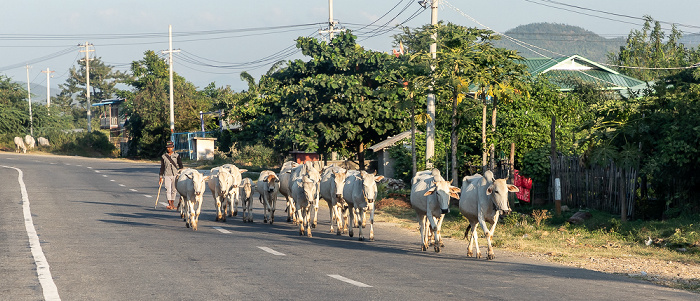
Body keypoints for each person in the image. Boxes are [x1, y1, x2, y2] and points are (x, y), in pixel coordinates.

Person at [159, 141, 183, 210]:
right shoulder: (164, 156)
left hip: (175, 175)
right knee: (168, 189)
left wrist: (180, 173)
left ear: (173, 147)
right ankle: (169, 204)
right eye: (168, 148)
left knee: (174, 190)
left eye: (170, 147)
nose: (169, 149)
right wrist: (161, 177)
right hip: (167, 174)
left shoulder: (177, 156)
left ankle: (172, 203)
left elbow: (181, 165)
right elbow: (162, 167)